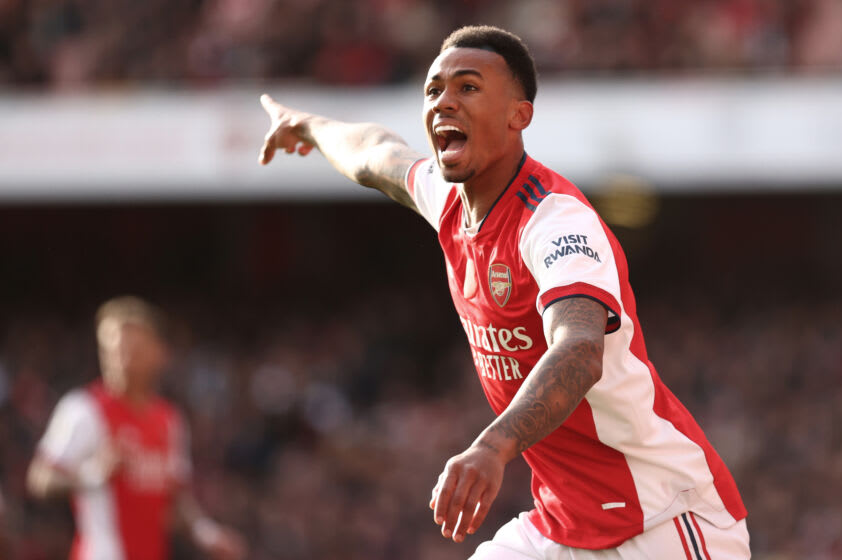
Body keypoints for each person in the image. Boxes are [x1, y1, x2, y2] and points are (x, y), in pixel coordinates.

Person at [258, 25, 750, 559]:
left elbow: (580, 351)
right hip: (564, 524)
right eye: (433, 90)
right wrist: (305, 125)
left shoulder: (556, 221)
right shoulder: (446, 201)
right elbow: (375, 155)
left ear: (519, 115)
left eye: (467, 87)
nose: (444, 101)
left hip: (663, 520)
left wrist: (493, 446)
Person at [27, 296, 246, 560]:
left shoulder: (170, 420)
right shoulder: (83, 409)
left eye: (132, 348)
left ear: (159, 353)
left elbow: (174, 499)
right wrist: (91, 475)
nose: (119, 358)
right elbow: (40, 478)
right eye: (110, 349)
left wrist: (207, 534)